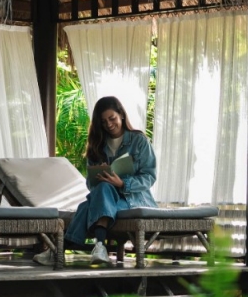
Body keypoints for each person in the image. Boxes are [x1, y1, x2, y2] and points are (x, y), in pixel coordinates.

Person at [34, 96, 157, 265]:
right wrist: (100, 177)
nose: (108, 124)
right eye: (103, 121)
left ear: (121, 114)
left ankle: (59, 251)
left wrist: (122, 184)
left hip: (134, 199)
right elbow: (91, 185)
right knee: (103, 188)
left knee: (86, 206)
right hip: (107, 196)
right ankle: (99, 247)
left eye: (112, 118)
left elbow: (149, 176)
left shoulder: (138, 140)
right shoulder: (97, 144)